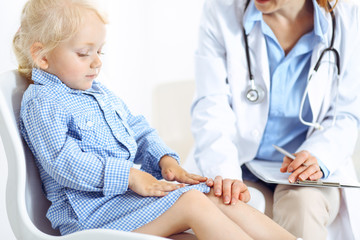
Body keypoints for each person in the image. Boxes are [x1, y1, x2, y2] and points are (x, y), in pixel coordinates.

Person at [13, 0, 301, 239]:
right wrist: (129, 175)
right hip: (90, 218)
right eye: (84, 53)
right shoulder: (42, 101)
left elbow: (137, 129)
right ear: (42, 57)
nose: (97, 61)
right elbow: (63, 162)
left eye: (100, 51)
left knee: (213, 195)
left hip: (123, 207)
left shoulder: (99, 93)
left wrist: (166, 161)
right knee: (192, 203)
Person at [184, 0, 360, 239]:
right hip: (238, 167)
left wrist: (318, 156)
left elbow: (347, 114)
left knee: (302, 205)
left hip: (306, 175)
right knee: (229, 206)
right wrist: (224, 172)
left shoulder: (349, 19)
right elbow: (210, 105)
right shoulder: (221, 10)